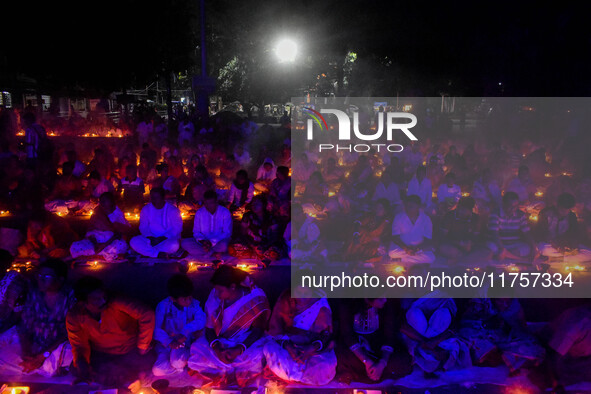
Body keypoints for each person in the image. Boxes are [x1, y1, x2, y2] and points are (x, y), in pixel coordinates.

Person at [187, 265, 270, 387]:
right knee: (196, 350)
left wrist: (239, 349)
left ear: (232, 287)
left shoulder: (255, 297)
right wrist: (217, 349)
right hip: (218, 339)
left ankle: (224, 369)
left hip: (242, 340)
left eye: (220, 290)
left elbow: (258, 330)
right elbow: (209, 329)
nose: (216, 293)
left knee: (259, 354)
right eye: (215, 289)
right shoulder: (215, 295)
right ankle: (232, 369)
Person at [66, 276, 155, 386]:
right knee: (76, 368)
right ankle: (122, 379)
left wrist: (142, 346)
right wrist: (83, 367)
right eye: (96, 300)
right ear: (83, 303)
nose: (103, 301)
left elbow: (147, 314)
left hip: (129, 350)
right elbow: (79, 346)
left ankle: (125, 377)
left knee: (145, 363)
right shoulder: (75, 316)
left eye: (104, 296)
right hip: (101, 353)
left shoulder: (116, 302)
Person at [3, 260, 75, 376]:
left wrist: (43, 355)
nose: (40, 280)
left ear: (60, 279)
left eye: (47, 276)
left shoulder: (70, 296)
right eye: (39, 275)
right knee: (7, 355)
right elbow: (25, 325)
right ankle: (34, 365)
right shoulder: (34, 293)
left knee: (70, 356)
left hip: (58, 343)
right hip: (36, 340)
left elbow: (68, 332)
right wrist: (27, 353)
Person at [263, 286, 336, 385]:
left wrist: (311, 349)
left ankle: (292, 375)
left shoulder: (320, 305)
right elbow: (276, 329)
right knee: (268, 348)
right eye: (298, 292)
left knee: (324, 368)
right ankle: (296, 374)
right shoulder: (286, 299)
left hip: (313, 350)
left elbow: (326, 336)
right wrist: (288, 346)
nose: (302, 296)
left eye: (306, 292)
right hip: (288, 344)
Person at [459, 296, 545, 373]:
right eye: (500, 301)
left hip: (500, 335)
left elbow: (521, 326)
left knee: (535, 350)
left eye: (507, 301)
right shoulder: (479, 303)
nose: (505, 304)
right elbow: (467, 323)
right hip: (476, 332)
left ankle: (510, 362)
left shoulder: (513, 305)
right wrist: (486, 326)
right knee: (485, 354)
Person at [336, 298, 412, 383]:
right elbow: (347, 335)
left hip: (378, 345)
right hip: (357, 348)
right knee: (341, 357)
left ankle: (373, 372)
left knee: (402, 361)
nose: (385, 300)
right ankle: (374, 373)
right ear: (367, 299)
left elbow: (389, 335)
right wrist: (366, 361)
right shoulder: (347, 303)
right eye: (380, 299)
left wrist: (382, 363)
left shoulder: (388, 303)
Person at [401, 294, 471, 374]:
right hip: (442, 311)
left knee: (413, 313)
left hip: (422, 328)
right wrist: (434, 341)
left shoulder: (413, 346)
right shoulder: (450, 345)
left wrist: (426, 341)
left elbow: (402, 326)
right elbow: (455, 326)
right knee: (443, 314)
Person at [152, 274, 206, 376]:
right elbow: (157, 329)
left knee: (177, 362)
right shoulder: (163, 306)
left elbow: (201, 320)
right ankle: (182, 366)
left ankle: (180, 364)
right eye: (185, 299)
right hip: (167, 345)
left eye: (190, 297)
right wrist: (169, 341)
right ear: (173, 299)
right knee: (157, 371)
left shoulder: (194, 304)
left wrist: (185, 331)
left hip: (184, 343)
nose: (189, 301)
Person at [70, 192, 132, 262]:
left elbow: (119, 233)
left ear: (112, 202)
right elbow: (90, 230)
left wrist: (104, 245)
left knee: (121, 245)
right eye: (100, 201)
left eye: (104, 201)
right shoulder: (97, 211)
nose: (101, 203)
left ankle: (100, 254)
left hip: (110, 242)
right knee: (76, 246)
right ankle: (102, 254)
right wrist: (95, 243)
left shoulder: (117, 214)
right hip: (96, 240)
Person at [130, 187, 183, 258]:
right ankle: (158, 254)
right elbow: (143, 227)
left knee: (174, 245)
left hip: (166, 240)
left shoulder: (173, 210)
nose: (154, 200)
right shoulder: (145, 209)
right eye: (152, 198)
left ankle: (148, 252)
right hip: (150, 240)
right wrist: (150, 237)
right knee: (134, 241)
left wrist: (162, 238)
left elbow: (177, 229)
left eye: (157, 197)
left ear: (163, 197)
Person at [538, 192, 591, 263]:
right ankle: (567, 259)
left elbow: (574, 233)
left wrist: (571, 246)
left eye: (568, 210)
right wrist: (556, 245)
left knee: (588, 253)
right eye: (562, 210)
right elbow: (541, 234)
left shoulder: (571, 216)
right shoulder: (545, 213)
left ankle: (558, 259)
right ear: (557, 205)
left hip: (565, 246)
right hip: (550, 245)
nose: (565, 213)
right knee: (543, 249)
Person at [487, 191, 538, 262]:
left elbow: (527, 232)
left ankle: (507, 256)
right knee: (490, 248)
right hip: (499, 245)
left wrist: (533, 247)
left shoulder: (520, 214)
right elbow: (494, 233)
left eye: (515, 206)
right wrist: (501, 248)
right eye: (510, 206)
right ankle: (517, 258)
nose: (513, 209)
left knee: (527, 248)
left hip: (514, 244)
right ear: (504, 204)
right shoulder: (495, 213)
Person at [182, 190, 232, 259]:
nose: (208, 206)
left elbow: (227, 233)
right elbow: (196, 232)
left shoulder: (225, 212)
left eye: (211, 203)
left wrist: (211, 242)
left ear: (216, 202)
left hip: (218, 242)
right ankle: (213, 253)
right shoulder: (199, 213)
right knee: (185, 243)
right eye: (206, 203)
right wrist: (203, 242)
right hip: (203, 243)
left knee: (224, 246)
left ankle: (208, 253)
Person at [388, 195, 435, 264]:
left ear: (418, 206)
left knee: (431, 258)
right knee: (392, 253)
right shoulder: (398, 217)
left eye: (411, 207)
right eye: (406, 206)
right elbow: (395, 236)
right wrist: (406, 248)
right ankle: (414, 259)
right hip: (403, 248)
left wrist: (417, 248)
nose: (408, 209)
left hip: (418, 248)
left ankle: (401, 260)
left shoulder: (426, 219)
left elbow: (428, 238)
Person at [439, 196, 482, 264]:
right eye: (460, 208)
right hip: (452, 245)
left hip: (468, 247)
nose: (461, 211)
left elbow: (476, 237)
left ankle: (460, 259)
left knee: (485, 252)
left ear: (470, 210)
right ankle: (462, 259)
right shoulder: (449, 216)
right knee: (445, 249)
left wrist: (470, 243)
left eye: (464, 210)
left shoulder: (476, 218)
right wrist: (459, 243)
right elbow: (442, 237)